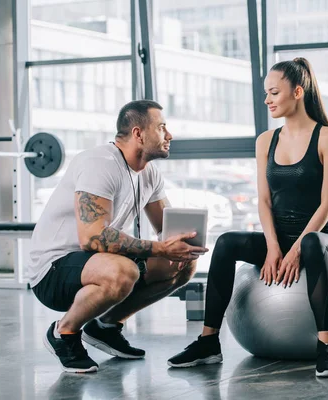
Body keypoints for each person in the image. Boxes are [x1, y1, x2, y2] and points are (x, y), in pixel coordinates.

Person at [167, 58, 328, 378]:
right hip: (280, 239)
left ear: (297, 92)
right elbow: (264, 201)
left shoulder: (327, 138)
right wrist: (274, 248)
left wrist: (295, 250)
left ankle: (326, 347)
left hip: (323, 238)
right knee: (226, 242)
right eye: (266, 92)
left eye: (274, 92)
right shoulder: (266, 141)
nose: (267, 100)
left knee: (310, 242)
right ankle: (209, 342)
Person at [28, 100, 208, 373]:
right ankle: (63, 333)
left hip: (94, 263)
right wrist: (159, 248)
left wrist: (185, 243)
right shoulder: (99, 163)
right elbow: (91, 237)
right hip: (53, 270)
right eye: (161, 128)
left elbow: (165, 226)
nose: (169, 135)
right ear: (138, 133)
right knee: (123, 271)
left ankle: (105, 327)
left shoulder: (148, 173)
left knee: (182, 264)